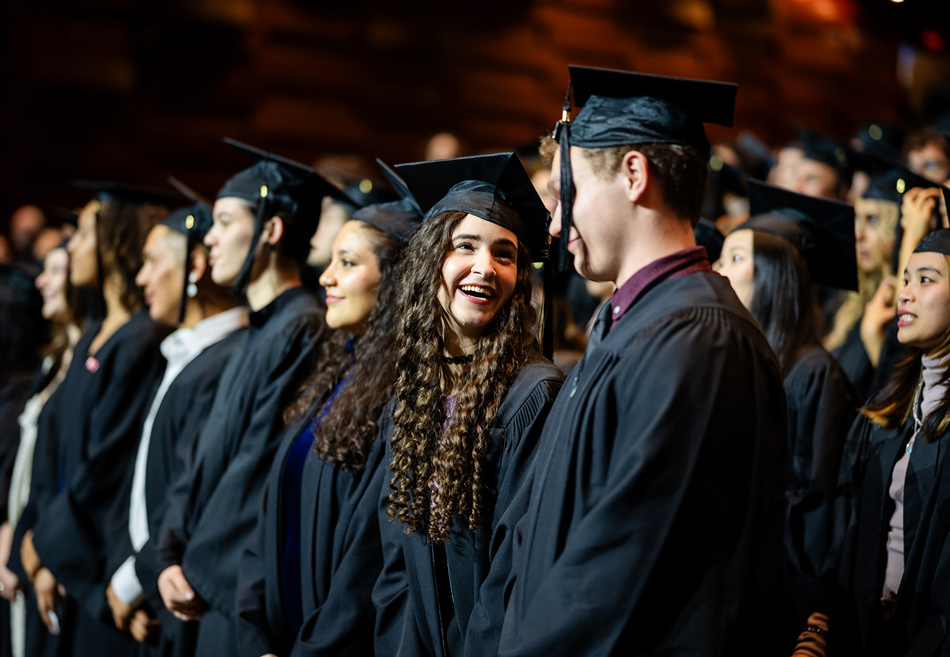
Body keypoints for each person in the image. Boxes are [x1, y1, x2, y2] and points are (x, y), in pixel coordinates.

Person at [492, 66, 786, 656]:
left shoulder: (698, 338)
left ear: (633, 174)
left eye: (565, 193)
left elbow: (618, 568)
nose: (552, 223)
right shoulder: (630, 320)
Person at [155, 140, 345, 657]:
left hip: (227, 590)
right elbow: (194, 457)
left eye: (222, 221)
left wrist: (191, 564)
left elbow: (258, 468)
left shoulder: (303, 328)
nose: (209, 238)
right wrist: (165, 551)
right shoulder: (253, 331)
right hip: (191, 573)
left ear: (271, 229)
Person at [372, 152, 565, 657]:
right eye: (465, 246)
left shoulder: (532, 395)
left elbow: (515, 573)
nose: (486, 267)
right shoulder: (414, 390)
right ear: (429, 259)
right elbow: (397, 560)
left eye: (505, 254)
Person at [235, 162, 422, 657]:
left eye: (348, 263)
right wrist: (254, 631)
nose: (327, 277)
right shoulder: (337, 372)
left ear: (396, 281)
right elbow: (271, 512)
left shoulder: (401, 397)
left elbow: (365, 567)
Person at [18, 184, 175, 657]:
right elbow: (53, 455)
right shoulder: (91, 335)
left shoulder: (140, 339)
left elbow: (106, 466)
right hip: (62, 551)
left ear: (112, 240)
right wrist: (39, 542)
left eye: (84, 233)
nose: (73, 246)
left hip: (94, 560)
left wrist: (46, 546)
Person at [714, 179, 859, 649]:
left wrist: (815, 613)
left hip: (785, 593)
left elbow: (823, 502)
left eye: (734, 258)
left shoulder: (816, 374)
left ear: (774, 276)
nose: (716, 269)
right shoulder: (745, 359)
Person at [795, 228, 950, 655]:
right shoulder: (890, 410)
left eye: (925, 279)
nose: (905, 295)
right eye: (904, 280)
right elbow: (850, 532)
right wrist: (819, 625)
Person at [103, 202, 248, 655]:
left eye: (151, 262)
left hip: (179, 592)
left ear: (195, 266)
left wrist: (131, 581)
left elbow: (188, 490)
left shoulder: (230, 360)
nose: (141, 278)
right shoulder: (183, 350)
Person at [1, 239, 84, 657]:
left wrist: (32, 542)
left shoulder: (91, 362)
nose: (42, 282)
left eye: (57, 271)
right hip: (21, 533)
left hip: (48, 546)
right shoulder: (53, 362)